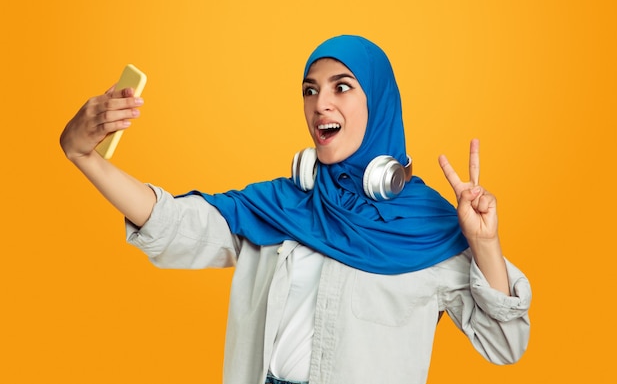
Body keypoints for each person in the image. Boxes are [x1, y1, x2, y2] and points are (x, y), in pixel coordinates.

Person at [60, 35, 531, 384]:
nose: (320, 103)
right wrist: (85, 157)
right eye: (310, 90)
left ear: (379, 102)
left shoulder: (430, 226)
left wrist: (484, 244)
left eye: (341, 87)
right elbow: (175, 223)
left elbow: (504, 345)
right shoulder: (282, 205)